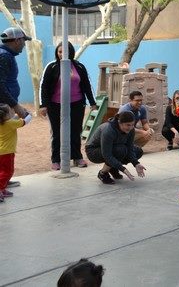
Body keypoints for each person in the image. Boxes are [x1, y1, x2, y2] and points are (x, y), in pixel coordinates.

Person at [39, 42, 97, 170]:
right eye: (60, 51)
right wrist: (43, 105)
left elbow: (87, 85)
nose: (62, 54)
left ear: (71, 52)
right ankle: (56, 159)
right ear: (57, 52)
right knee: (57, 132)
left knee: (75, 131)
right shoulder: (52, 66)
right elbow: (44, 87)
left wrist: (92, 102)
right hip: (55, 105)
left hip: (77, 104)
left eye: (65, 51)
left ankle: (77, 157)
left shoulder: (79, 66)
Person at [0, 26, 31, 188]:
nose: (24, 45)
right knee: (4, 144)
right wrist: (15, 105)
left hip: (5, 105)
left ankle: (3, 178)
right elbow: (0, 85)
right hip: (3, 107)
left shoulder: (6, 55)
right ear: (17, 40)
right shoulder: (4, 56)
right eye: (23, 41)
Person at [85, 111, 146, 185]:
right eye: (128, 125)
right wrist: (123, 169)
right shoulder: (108, 130)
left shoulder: (131, 130)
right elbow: (107, 155)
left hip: (115, 147)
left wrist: (136, 163)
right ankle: (103, 173)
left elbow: (130, 148)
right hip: (93, 151)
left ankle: (112, 168)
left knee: (138, 151)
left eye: (132, 125)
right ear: (119, 122)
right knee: (120, 150)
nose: (130, 127)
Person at [0, 104, 31, 202]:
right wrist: (29, 114)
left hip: (2, 152)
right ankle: (0, 189)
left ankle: (2, 189)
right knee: (7, 172)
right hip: (7, 152)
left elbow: (14, 118)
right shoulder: (10, 123)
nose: (12, 113)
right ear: (5, 116)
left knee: (1, 171)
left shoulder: (4, 122)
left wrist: (18, 115)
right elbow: (25, 121)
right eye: (10, 112)